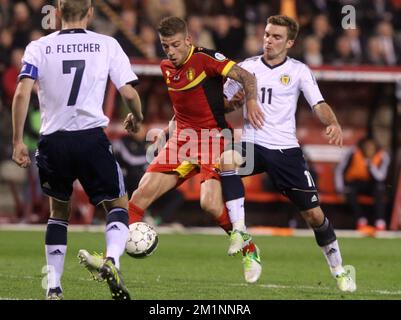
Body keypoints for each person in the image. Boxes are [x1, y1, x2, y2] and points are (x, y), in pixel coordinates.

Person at [11, 0, 143, 300]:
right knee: (118, 205)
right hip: (90, 139)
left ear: (57, 13)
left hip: (52, 141)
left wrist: (17, 140)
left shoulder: (39, 46)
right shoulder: (106, 44)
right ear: (91, 13)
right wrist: (138, 115)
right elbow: (128, 92)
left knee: (58, 211)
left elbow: (21, 92)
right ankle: (112, 260)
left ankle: (54, 287)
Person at [221, 15, 356, 292]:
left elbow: (317, 103)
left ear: (290, 42)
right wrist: (232, 104)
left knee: (315, 217)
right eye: (267, 34)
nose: (269, 40)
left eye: (277, 37)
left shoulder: (298, 71)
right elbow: (222, 104)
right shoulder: (246, 68)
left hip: (286, 151)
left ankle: (340, 270)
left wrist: (332, 122)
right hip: (253, 144)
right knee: (226, 160)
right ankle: (240, 231)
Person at [122, 16, 262, 283]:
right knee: (137, 200)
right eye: (166, 47)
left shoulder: (205, 59)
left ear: (188, 40)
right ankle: (111, 261)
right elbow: (184, 107)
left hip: (214, 139)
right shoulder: (166, 68)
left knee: (209, 204)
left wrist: (251, 102)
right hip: (182, 142)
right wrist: (166, 130)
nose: (171, 52)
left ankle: (249, 250)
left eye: (175, 45)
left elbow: (246, 76)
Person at [335, 136, 390, 231]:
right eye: (367, 146)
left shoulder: (383, 156)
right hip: (355, 183)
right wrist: (340, 190)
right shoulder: (353, 152)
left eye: (371, 147)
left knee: (379, 189)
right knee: (350, 191)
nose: (369, 149)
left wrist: (370, 165)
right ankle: (361, 220)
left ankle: (380, 222)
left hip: (372, 184)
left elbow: (381, 177)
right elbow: (339, 170)